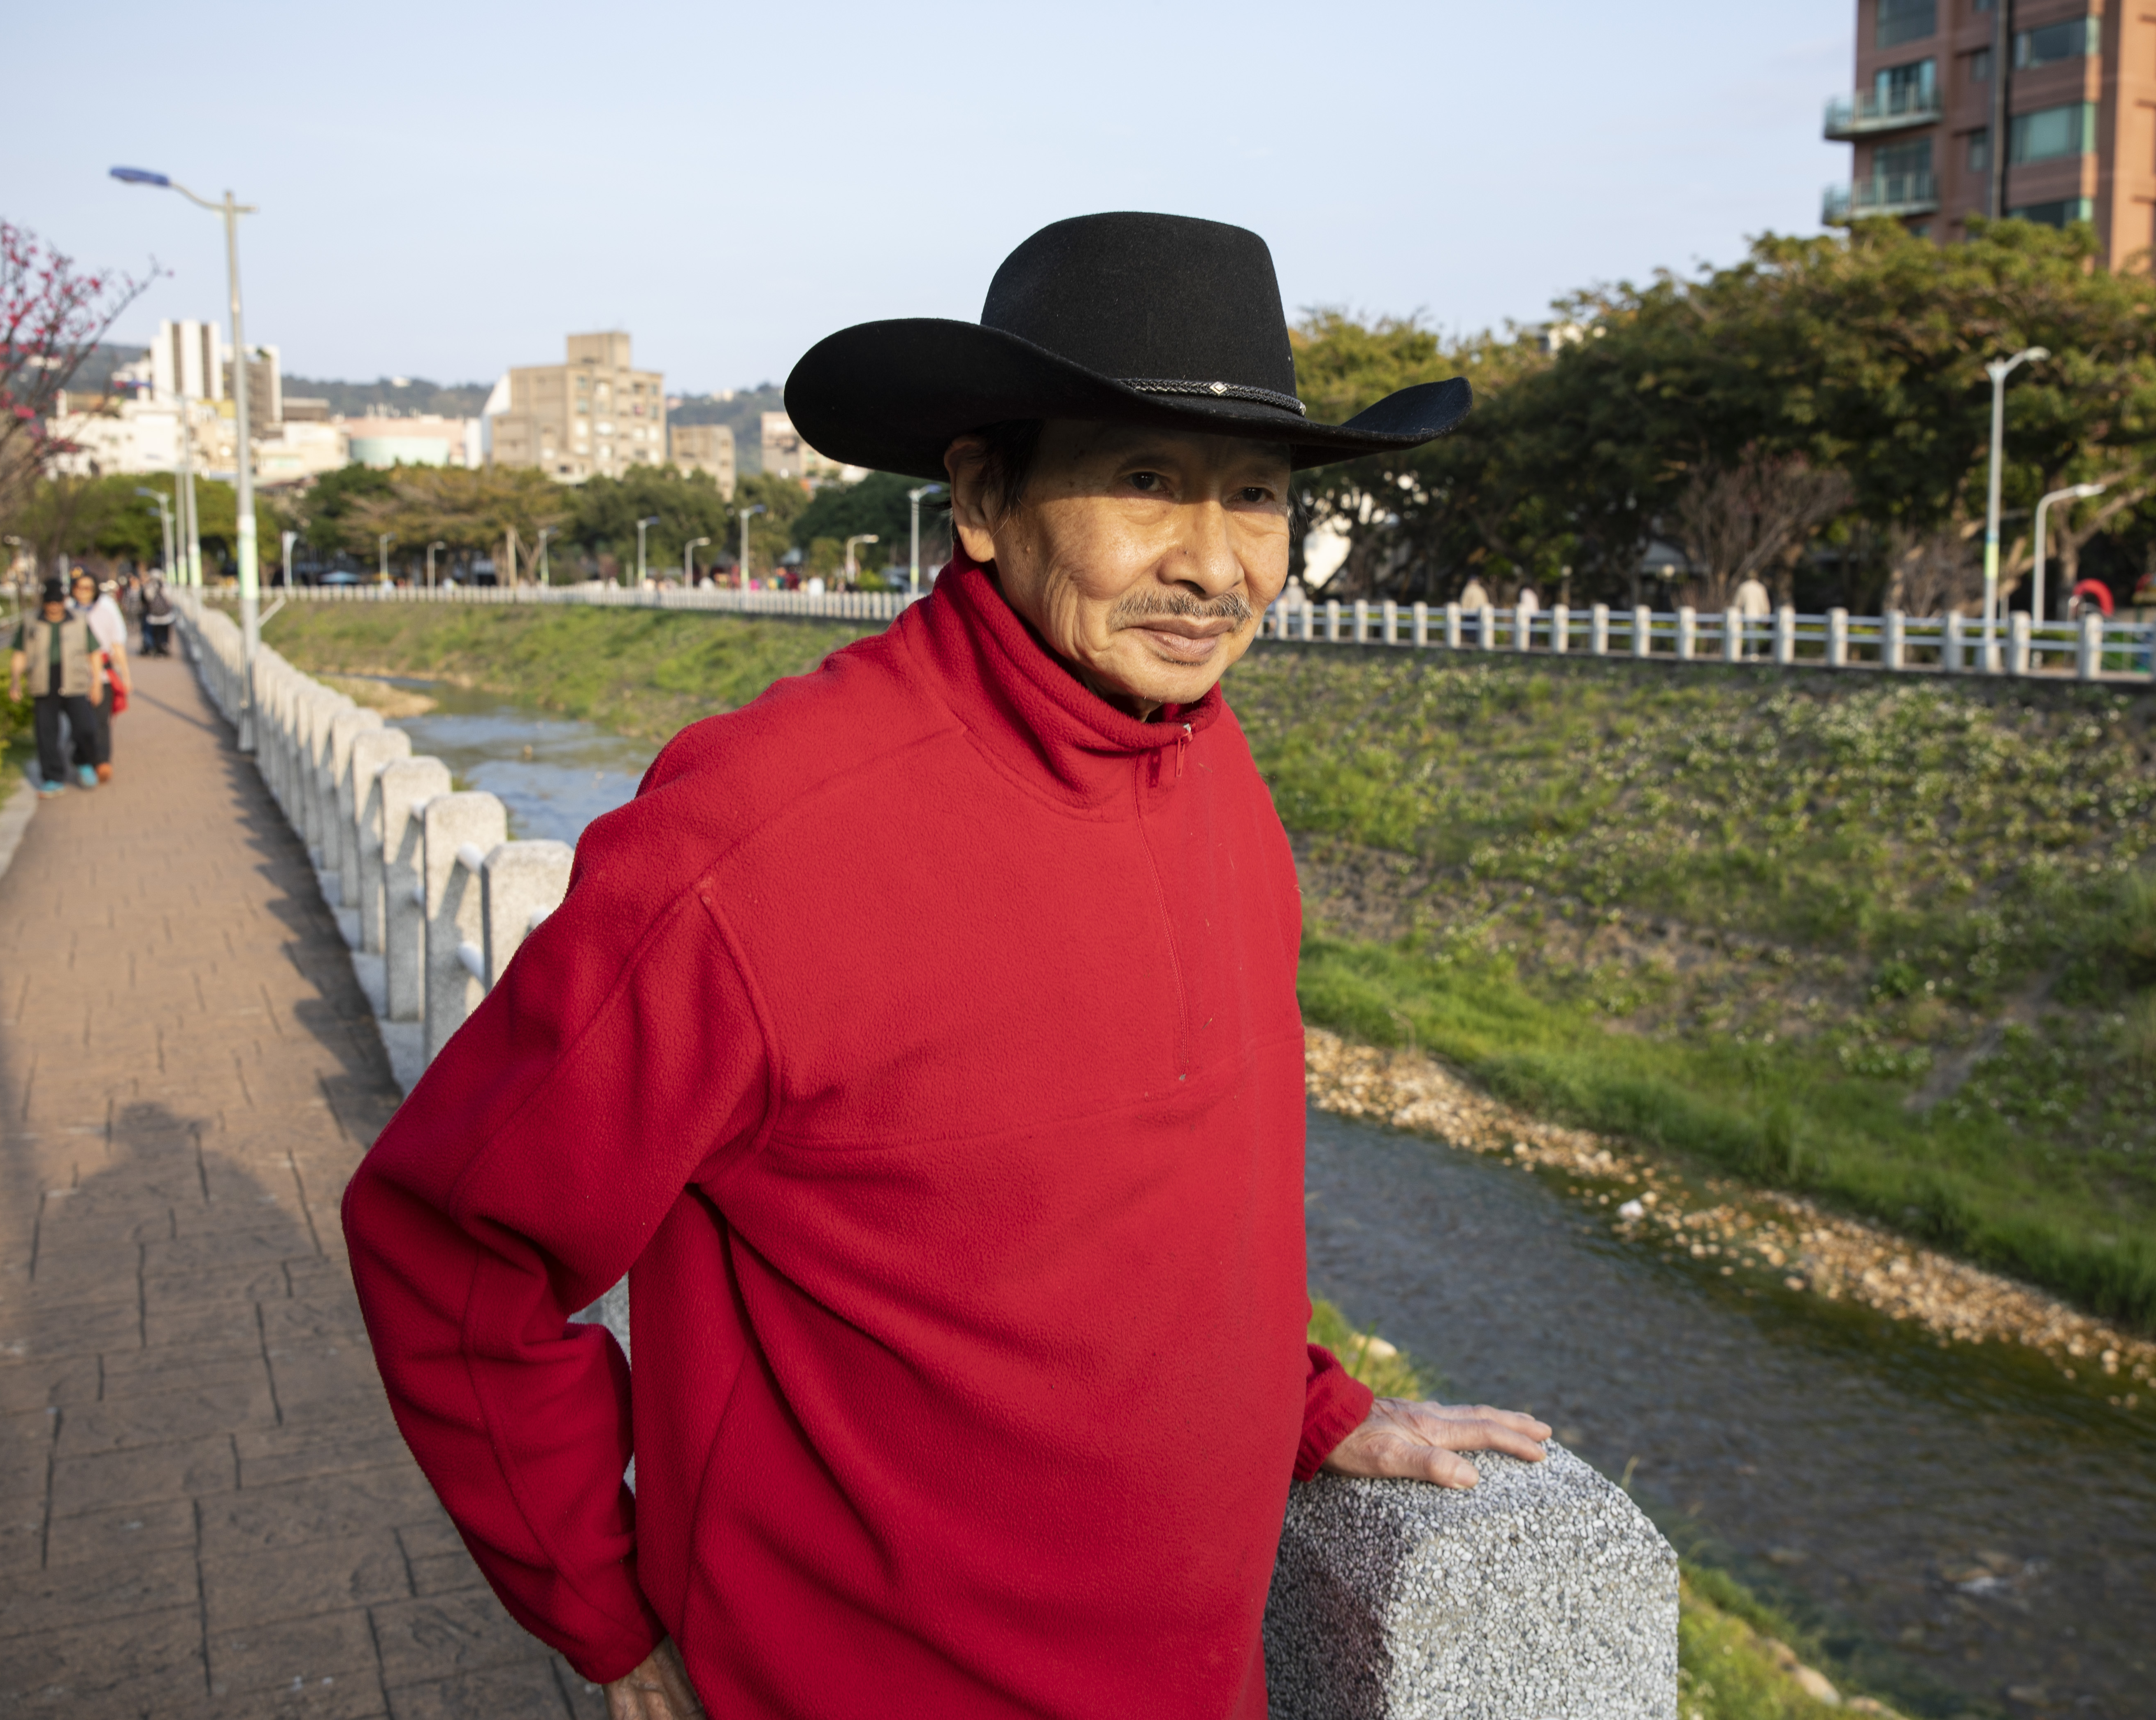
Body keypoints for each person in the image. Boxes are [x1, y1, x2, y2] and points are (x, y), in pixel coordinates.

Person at [344, 215, 1544, 1720]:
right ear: (983, 496)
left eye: (1255, 499)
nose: (1212, 565)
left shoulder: (1209, 763)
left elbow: (1139, 1194)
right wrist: (602, 1612)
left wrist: (1300, 1402)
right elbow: (453, 1250)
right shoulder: (760, 839)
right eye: (1147, 485)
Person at [9, 579, 105, 798]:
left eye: (57, 602)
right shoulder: (31, 621)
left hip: (74, 681)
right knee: (46, 734)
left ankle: (82, 761)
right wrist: (15, 681)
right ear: (44, 603)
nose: (54, 607)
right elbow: (20, 654)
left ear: (64, 601)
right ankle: (53, 778)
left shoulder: (79, 621)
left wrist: (97, 683)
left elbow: (94, 652)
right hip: (43, 682)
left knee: (86, 727)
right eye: (49, 603)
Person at [69, 569, 129, 783]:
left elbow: (116, 644)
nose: (84, 592)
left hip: (103, 674)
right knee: (80, 723)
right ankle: (83, 759)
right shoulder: (67, 613)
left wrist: (126, 675)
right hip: (74, 676)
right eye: (79, 588)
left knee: (101, 720)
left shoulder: (106, 610)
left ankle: (102, 761)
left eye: (88, 588)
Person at [139, 570, 175, 657]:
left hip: (153, 615)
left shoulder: (150, 586)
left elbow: (148, 597)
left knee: (155, 633)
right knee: (164, 633)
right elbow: (170, 598)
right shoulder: (166, 586)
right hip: (166, 615)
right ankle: (163, 648)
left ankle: (154, 648)